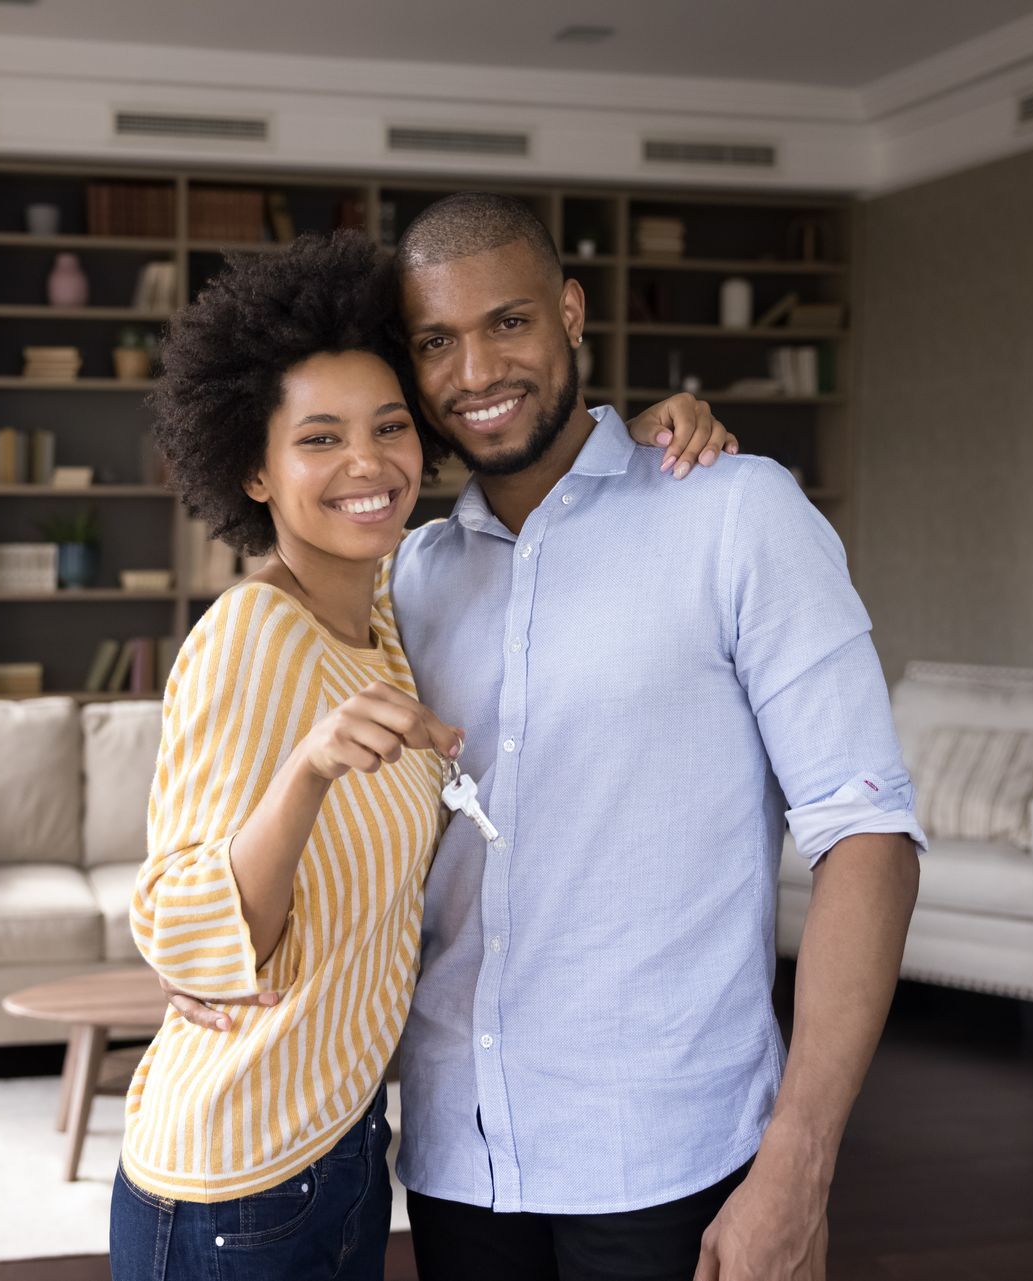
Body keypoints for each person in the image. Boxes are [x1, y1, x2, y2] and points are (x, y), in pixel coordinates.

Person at [168, 194, 927, 1281]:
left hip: (671, 1154)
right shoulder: (410, 581)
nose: (477, 370)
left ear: (571, 313)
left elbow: (868, 838)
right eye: (436, 341)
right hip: (457, 1156)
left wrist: (800, 1163)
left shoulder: (735, 515)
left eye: (509, 322)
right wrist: (205, 941)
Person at [110, 230, 737, 1281]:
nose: (367, 464)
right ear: (253, 473)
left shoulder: (387, 617)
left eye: (389, 426)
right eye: (318, 440)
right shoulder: (251, 638)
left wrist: (630, 446)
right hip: (234, 1175)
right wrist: (306, 773)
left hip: (346, 1152)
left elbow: (552, 493)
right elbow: (180, 930)